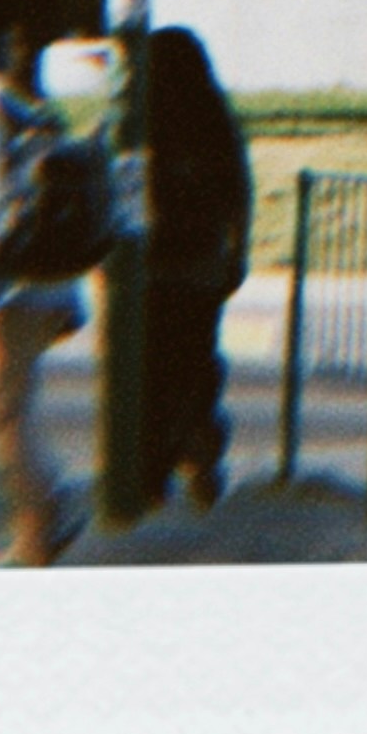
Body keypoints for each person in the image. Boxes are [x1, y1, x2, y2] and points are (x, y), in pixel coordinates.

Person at [0, 27, 83, 567]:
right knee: (7, 406)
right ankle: (46, 515)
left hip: (11, 283)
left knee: (1, 410)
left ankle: (38, 536)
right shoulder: (38, 110)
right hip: (51, 278)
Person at [144, 25, 253, 510]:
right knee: (196, 363)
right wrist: (237, 251)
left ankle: (155, 467)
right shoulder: (216, 117)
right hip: (201, 263)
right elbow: (239, 191)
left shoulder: (143, 120)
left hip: (152, 266)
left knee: (152, 371)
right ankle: (200, 456)